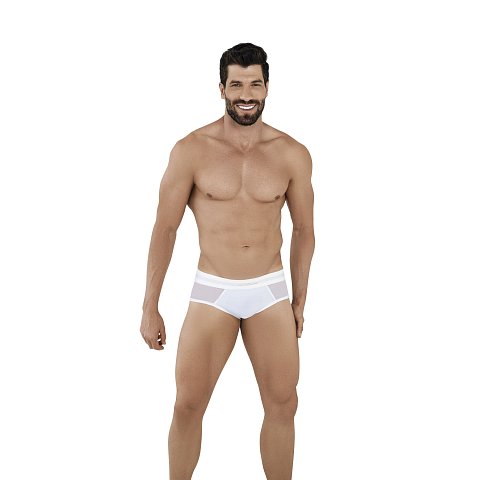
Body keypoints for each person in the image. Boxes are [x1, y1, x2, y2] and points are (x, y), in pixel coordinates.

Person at [140, 42, 315, 480]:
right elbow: (165, 229)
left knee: (283, 404)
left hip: (269, 290)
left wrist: (299, 301)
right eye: (236, 85)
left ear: (267, 87)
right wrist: (149, 305)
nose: (246, 94)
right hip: (213, 290)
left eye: (255, 84)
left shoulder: (292, 153)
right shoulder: (191, 150)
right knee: (187, 404)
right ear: (221, 89)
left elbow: (304, 230)